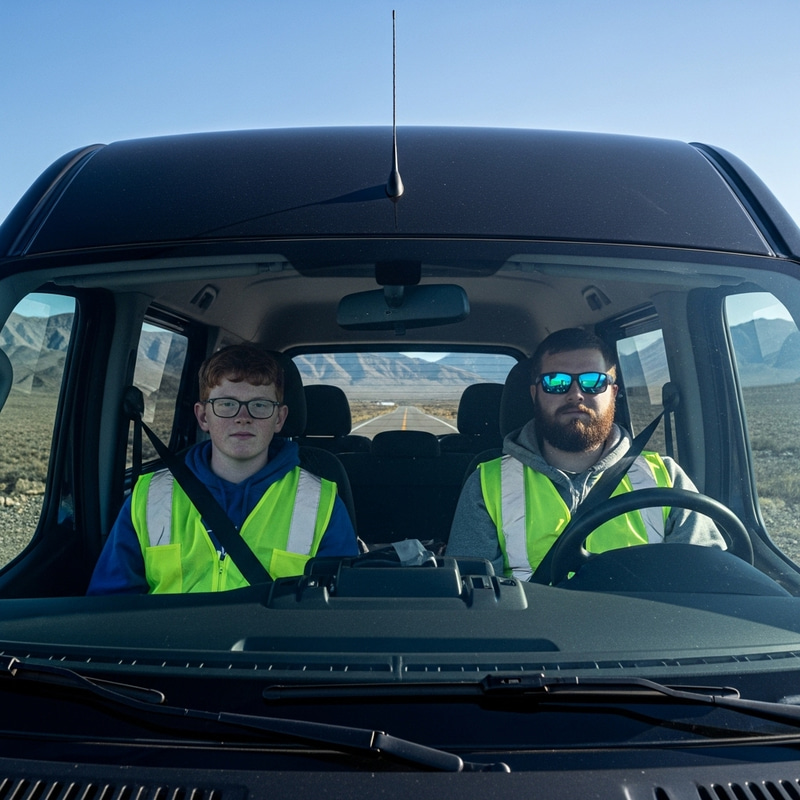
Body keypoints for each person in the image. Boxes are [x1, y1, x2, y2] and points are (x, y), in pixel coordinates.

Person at [446, 328, 725, 581]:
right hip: (536, 633)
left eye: (593, 381)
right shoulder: (487, 484)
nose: (576, 394)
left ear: (613, 392)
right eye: (556, 382)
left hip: (644, 633)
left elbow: (705, 582)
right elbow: (473, 602)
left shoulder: (664, 477)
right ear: (534, 394)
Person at [88, 344, 358, 594]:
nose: (243, 418)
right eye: (227, 404)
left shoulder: (321, 504)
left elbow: (337, 609)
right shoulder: (148, 498)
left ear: (279, 418)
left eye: (260, 405)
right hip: (169, 646)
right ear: (203, 416)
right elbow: (110, 604)